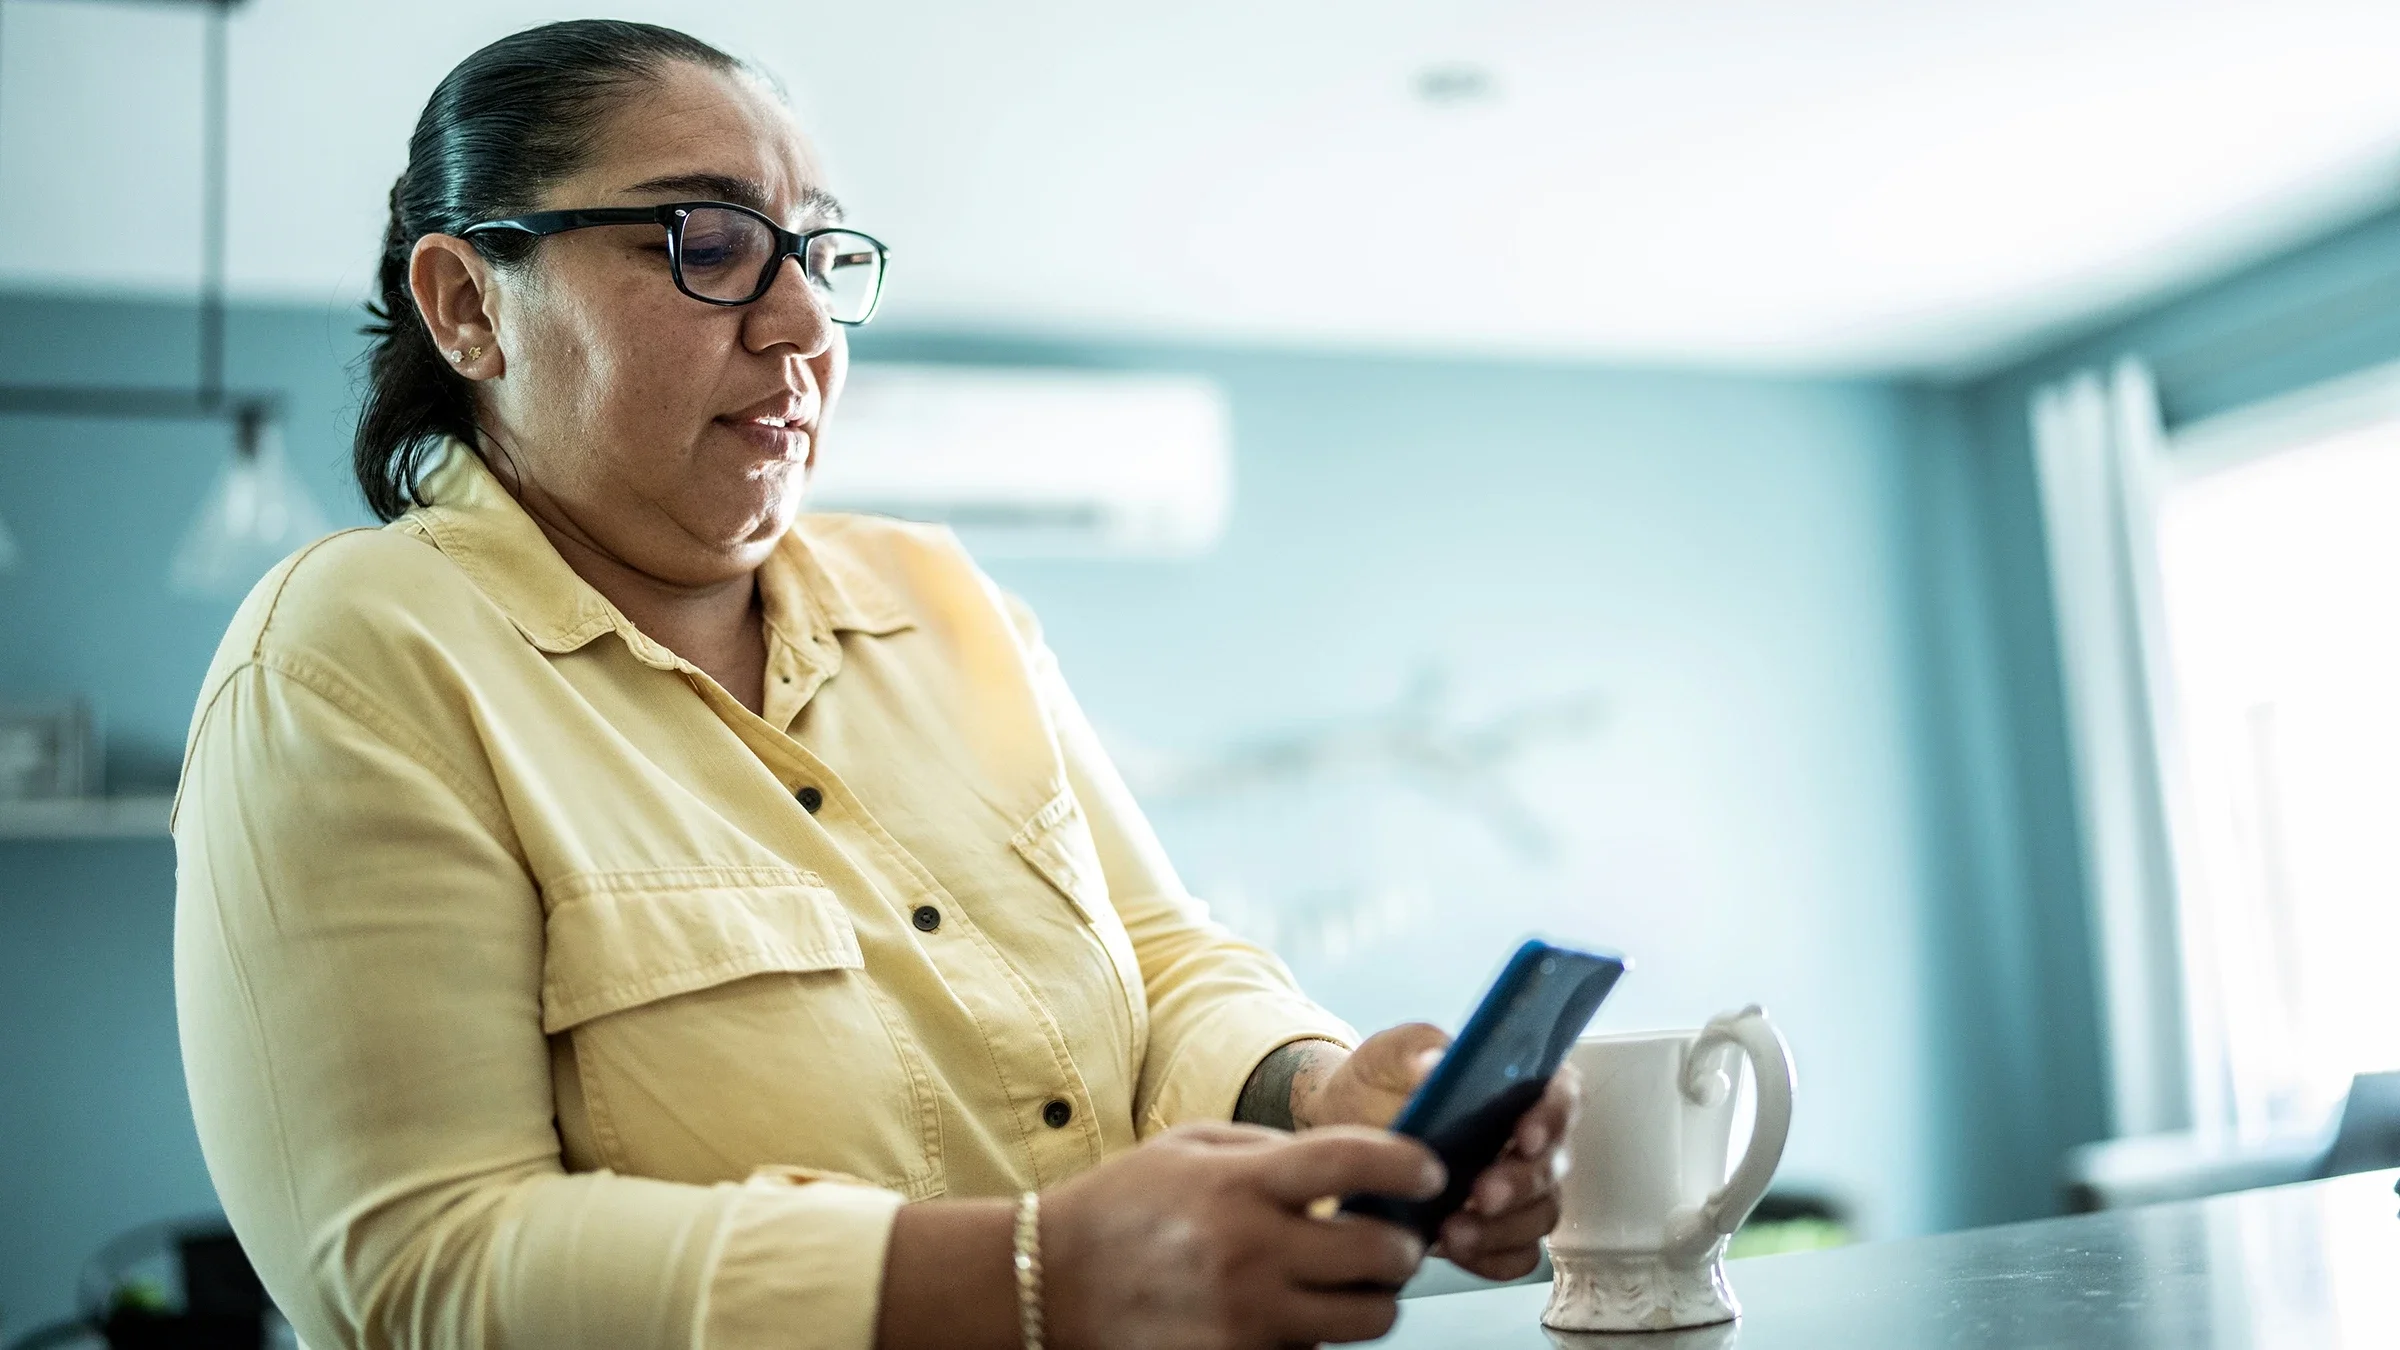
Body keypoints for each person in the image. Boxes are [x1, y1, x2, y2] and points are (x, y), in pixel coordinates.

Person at [172, 20, 1574, 1350]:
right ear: (470, 305)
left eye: (821, 257)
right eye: (705, 242)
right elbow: (419, 1266)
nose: (800, 325)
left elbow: (1163, 961)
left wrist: (1320, 1090)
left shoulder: (943, 602)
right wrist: (1041, 1280)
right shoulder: (350, 658)